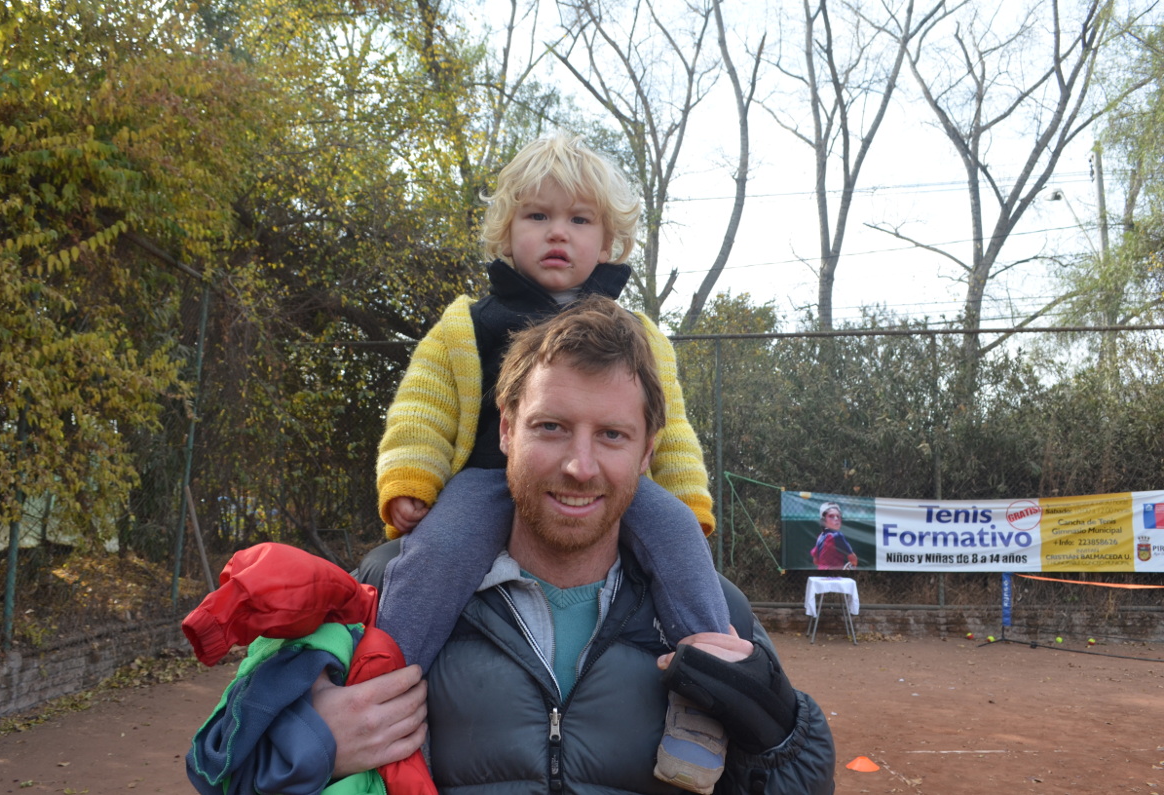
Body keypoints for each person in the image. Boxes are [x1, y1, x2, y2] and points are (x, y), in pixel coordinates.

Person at [338, 297, 837, 794]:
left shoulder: (722, 608)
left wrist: (777, 734)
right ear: (507, 430)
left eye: (612, 435)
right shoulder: (385, 590)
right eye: (550, 427)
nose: (580, 466)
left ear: (647, 451)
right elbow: (267, 748)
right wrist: (317, 740)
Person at [373, 134, 730, 790]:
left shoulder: (643, 334)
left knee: (681, 540)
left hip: (613, 490)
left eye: (579, 219)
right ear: (507, 233)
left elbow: (669, 426)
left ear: (610, 240)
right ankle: (381, 695)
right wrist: (410, 476)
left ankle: (708, 699)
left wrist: (687, 498)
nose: (557, 233)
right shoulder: (466, 323)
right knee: (429, 557)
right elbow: (422, 406)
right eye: (537, 216)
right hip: (485, 481)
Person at [810, 501, 858, 570]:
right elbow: (853, 560)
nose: (836, 519)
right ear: (824, 521)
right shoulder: (837, 535)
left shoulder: (820, 536)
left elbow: (816, 561)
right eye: (831, 516)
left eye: (838, 516)